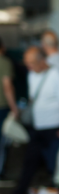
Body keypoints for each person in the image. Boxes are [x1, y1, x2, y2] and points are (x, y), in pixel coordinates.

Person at [14, 47, 59, 194]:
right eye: (26, 63)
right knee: (30, 161)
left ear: (43, 61)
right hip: (37, 127)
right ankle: (19, 193)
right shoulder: (32, 75)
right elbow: (33, 98)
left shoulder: (57, 75)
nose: (29, 67)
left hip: (55, 127)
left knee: (55, 164)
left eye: (32, 63)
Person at [0, 38, 19, 175]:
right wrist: (14, 108)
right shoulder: (4, 62)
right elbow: (7, 87)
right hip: (2, 107)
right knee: (2, 142)